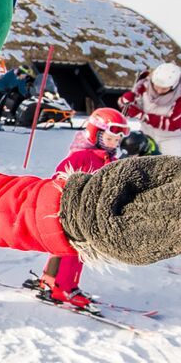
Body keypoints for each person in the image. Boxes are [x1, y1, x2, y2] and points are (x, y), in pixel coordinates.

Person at [32, 107, 131, 309]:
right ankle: (64, 288)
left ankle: (49, 281)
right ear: (96, 134)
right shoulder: (82, 156)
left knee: (66, 249)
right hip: (73, 213)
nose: (113, 143)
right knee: (75, 252)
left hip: (90, 215)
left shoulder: (110, 160)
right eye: (109, 138)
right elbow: (59, 177)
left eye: (117, 140)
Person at [119, 61, 181, 156]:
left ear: (174, 86)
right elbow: (131, 107)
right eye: (156, 86)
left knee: (172, 163)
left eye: (164, 88)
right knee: (140, 162)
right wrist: (125, 102)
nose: (159, 91)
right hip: (147, 134)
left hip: (171, 139)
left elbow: (174, 124)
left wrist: (144, 117)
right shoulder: (143, 86)